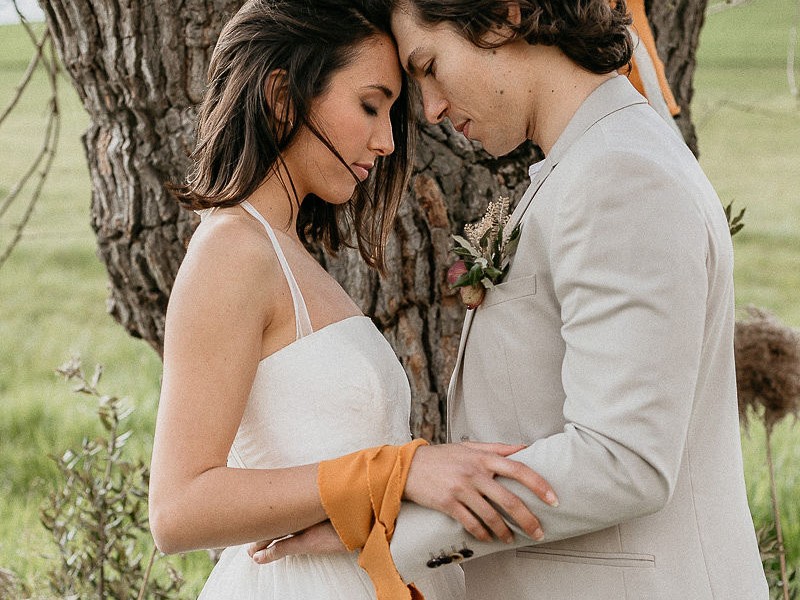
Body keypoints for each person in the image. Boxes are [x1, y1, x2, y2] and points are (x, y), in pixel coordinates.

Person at [256, 1, 770, 598]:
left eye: (430, 67)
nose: (431, 109)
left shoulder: (620, 174)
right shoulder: (589, 162)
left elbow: (624, 461)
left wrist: (387, 522)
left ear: (503, 16)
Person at [147, 0, 557, 598]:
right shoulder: (233, 251)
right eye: (369, 105)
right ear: (282, 96)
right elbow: (178, 509)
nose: (387, 141)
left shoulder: (290, 254)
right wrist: (401, 471)